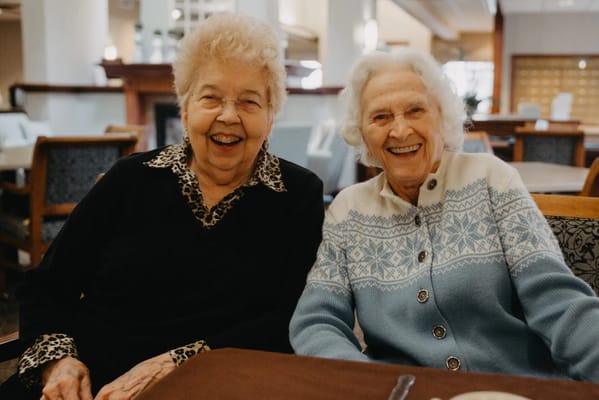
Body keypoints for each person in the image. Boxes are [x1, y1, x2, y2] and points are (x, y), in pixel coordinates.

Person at [0, 13, 324, 399]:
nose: (228, 115)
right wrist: (60, 363)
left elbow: (292, 316)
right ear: (185, 110)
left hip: (213, 384)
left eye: (249, 101)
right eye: (211, 97)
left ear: (270, 118)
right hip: (85, 382)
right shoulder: (129, 178)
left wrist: (181, 362)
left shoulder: (297, 194)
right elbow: (47, 287)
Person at [289, 48, 599, 382]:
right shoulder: (348, 211)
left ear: (442, 116)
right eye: (380, 117)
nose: (400, 130)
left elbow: (558, 302)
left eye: (415, 110)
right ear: (362, 132)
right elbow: (317, 322)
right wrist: (367, 384)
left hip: (513, 386)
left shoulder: (491, 179)